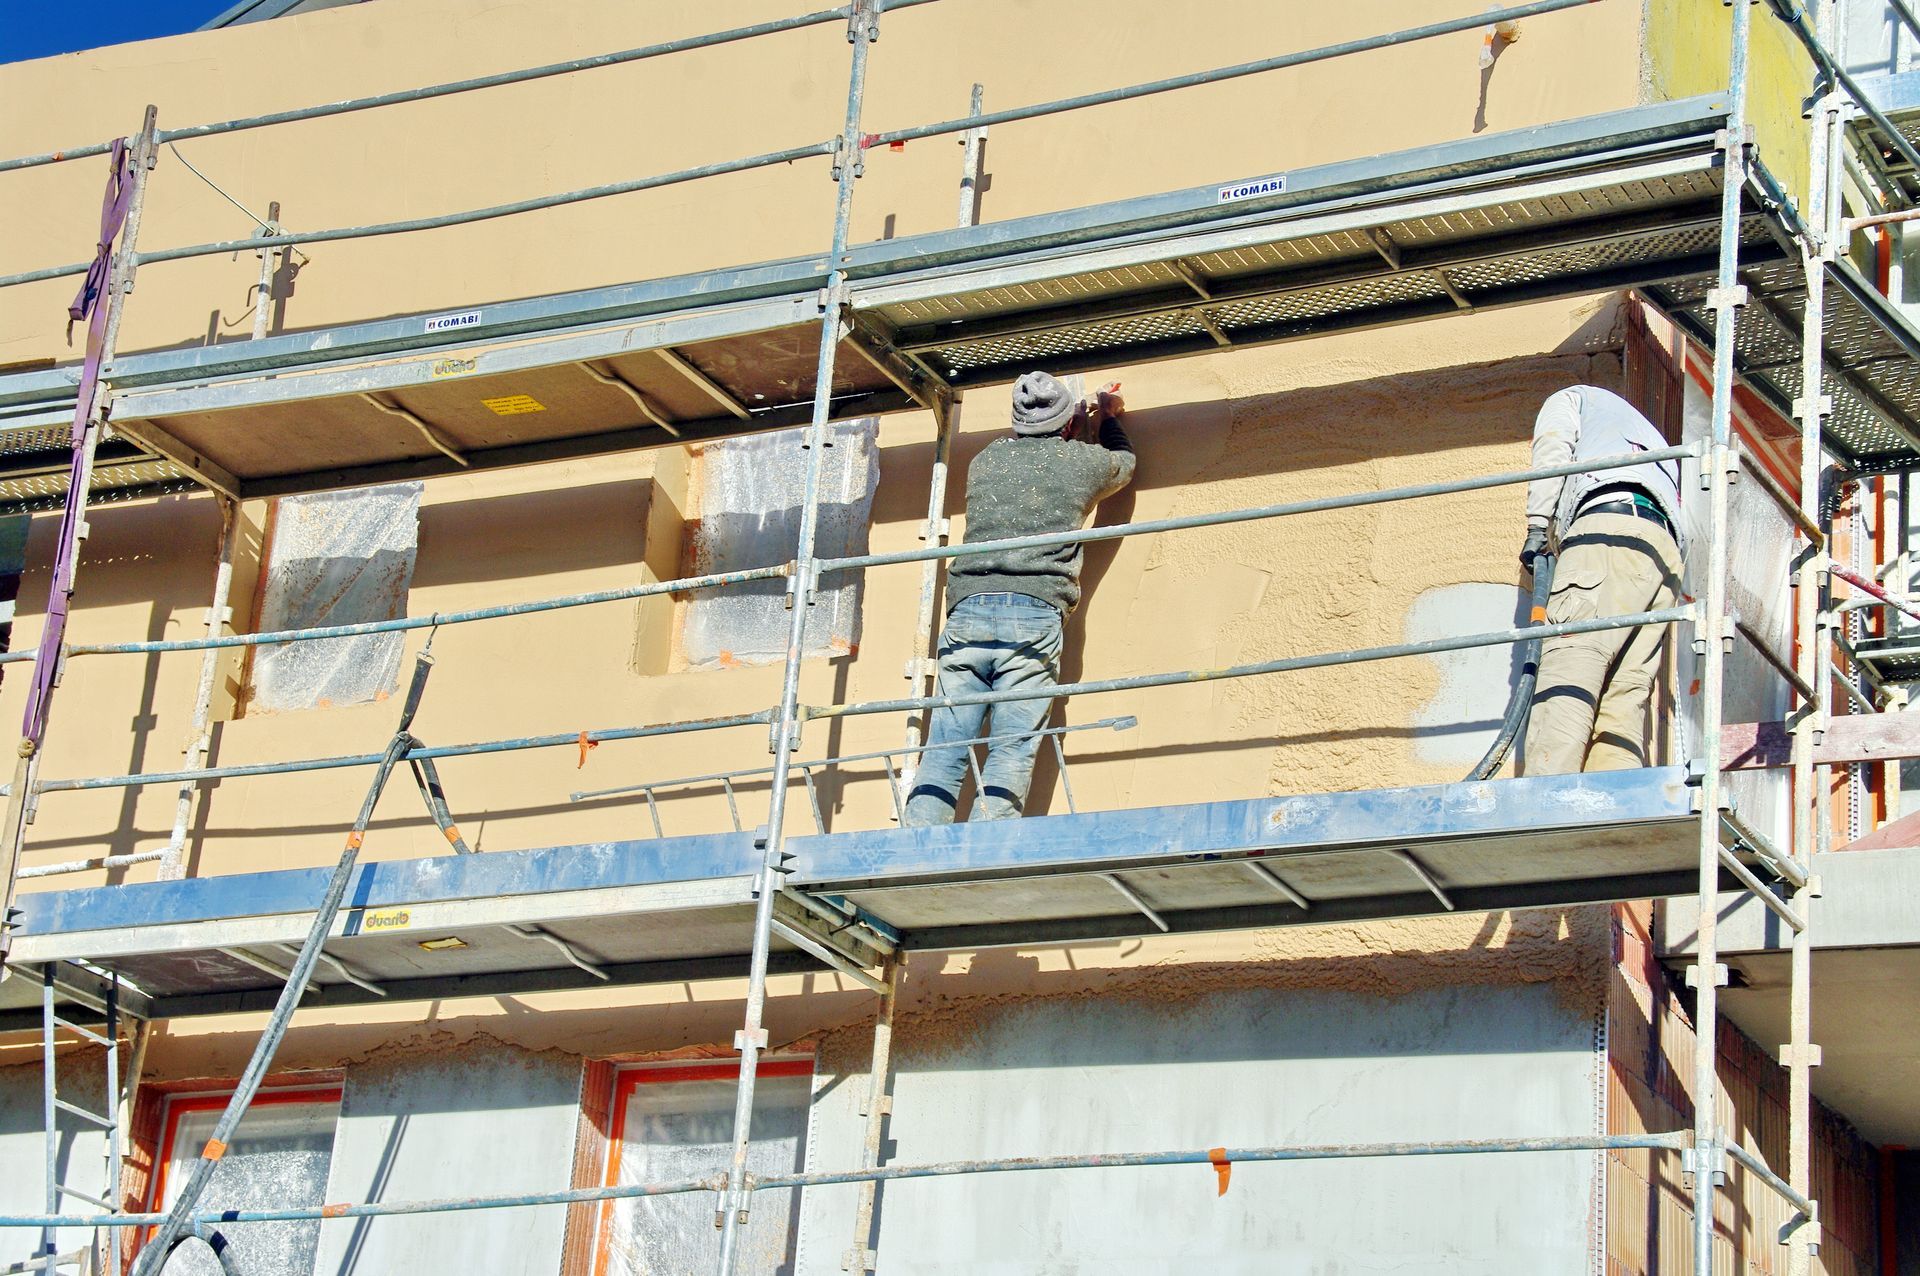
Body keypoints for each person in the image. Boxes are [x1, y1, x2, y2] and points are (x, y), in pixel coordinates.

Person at [903, 371, 1135, 826]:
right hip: (1032, 613)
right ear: (1068, 423)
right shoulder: (1082, 462)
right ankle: (988, 849)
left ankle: (915, 847)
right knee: (1012, 745)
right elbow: (1121, 464)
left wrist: (1073, 429)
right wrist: (1107, 418)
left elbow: (1037, 476)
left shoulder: (986, 460)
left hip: (968, 608)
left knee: (947, 743)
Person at [1520, 384, 1687, 775]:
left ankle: (1543, 803)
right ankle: (1611, 802)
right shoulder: (1649, 437)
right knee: (1626, 691)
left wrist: (1538, 525)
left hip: (1605, 531)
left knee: (1571, 668)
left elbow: (1553, 451)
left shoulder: (1569, 398)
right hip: (1663, 555)